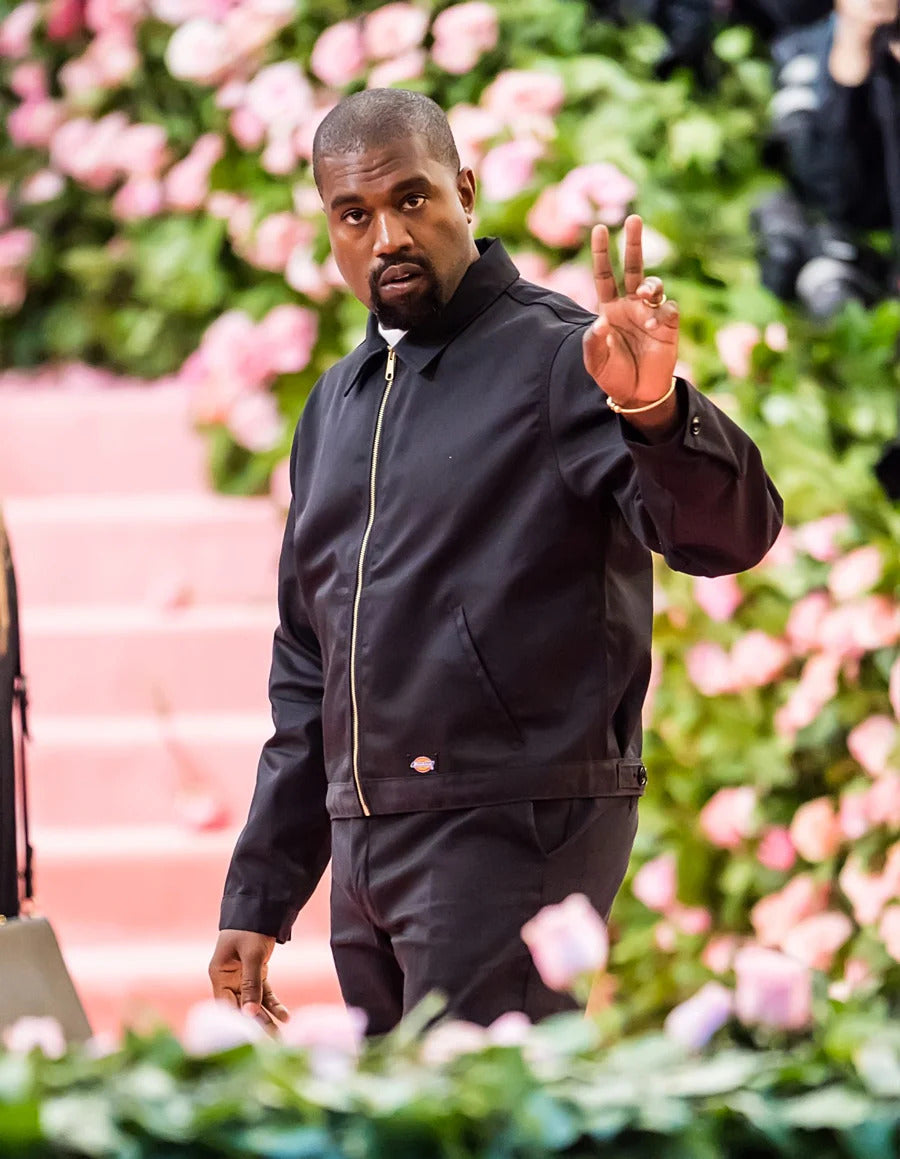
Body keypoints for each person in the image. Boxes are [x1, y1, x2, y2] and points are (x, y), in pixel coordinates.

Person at [209, 88, 783, 1035]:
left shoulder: (564, 358)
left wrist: (654, 413)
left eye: (412, 199)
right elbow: (308, 666)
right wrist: (260, 892)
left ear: (464, 192)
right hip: (369, 846)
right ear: (331, 229)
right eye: (356, 215)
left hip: (512, 828)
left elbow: (730, 533)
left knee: (484, 1125)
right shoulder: (335, 403)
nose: (388, 234)